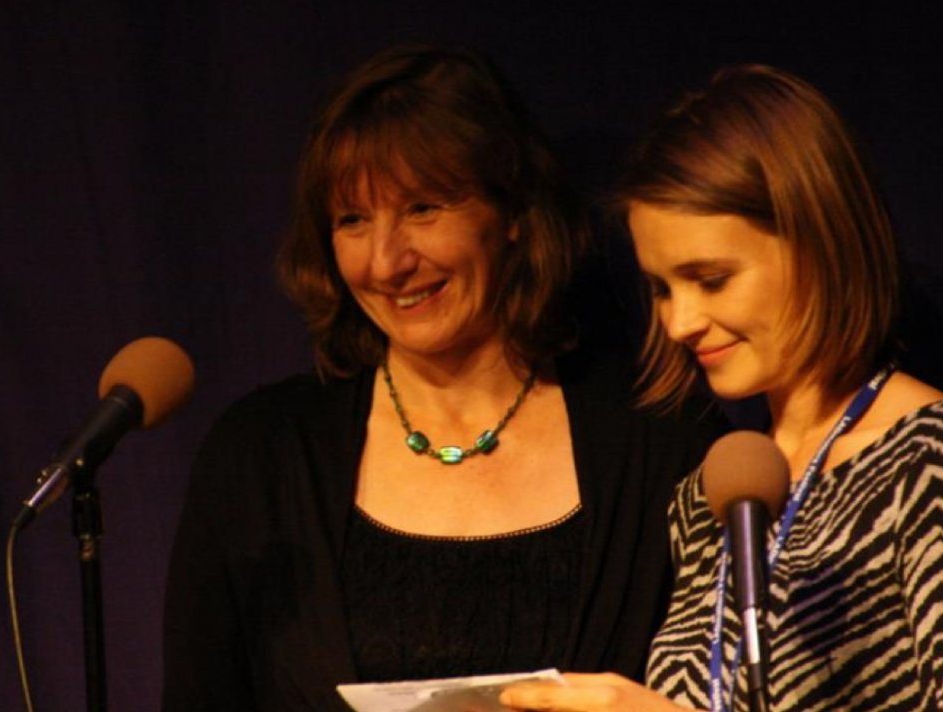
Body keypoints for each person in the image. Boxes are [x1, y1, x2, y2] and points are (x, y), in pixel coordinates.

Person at [162, 45, 719, 711]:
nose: (387, 261)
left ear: (511, 213)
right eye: (352, 220)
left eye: (423, 208)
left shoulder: (657, 439)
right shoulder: (260, 459)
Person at [502, 65, 943, 712]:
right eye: (662, 289)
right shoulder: (711, 498)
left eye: (711, 278)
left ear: (819, 242)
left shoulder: (939, 464)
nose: (679, 323)